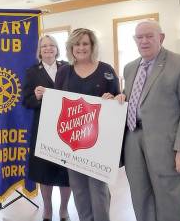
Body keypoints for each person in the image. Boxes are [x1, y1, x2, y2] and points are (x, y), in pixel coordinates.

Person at [114, 20, 180, 221]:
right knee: (141, 200)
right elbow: (135, 98)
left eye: (149, 36)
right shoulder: (130, 68)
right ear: (134, 40)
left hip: (168, 148)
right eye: (140, 37)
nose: (144, 41)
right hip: (132, 144)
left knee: (171, 206)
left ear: (161, 38)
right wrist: (120, 98)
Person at [55, 28, 120, 221]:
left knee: (98, 188)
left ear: (92, 46)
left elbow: (119, 99)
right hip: (71, 141)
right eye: (77, 44)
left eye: (85, 43)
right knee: (79, 188)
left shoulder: (106, 70)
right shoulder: (63, 72)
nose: (81, 47)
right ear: (71, 47)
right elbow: (57, 104)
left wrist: (113, 98)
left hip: (99, 140)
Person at [22, 35, 71, 221]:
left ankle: (64, 210)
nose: (48, 48)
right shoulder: (32, 72)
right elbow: (26, 102)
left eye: (52, 45)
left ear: (57, 49)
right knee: (44, 171)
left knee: (66, 171)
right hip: (42, 127)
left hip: (67, 126)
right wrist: (36, 96)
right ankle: (48, 210)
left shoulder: (68, 68)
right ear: (39, 51)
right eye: (44, 46)